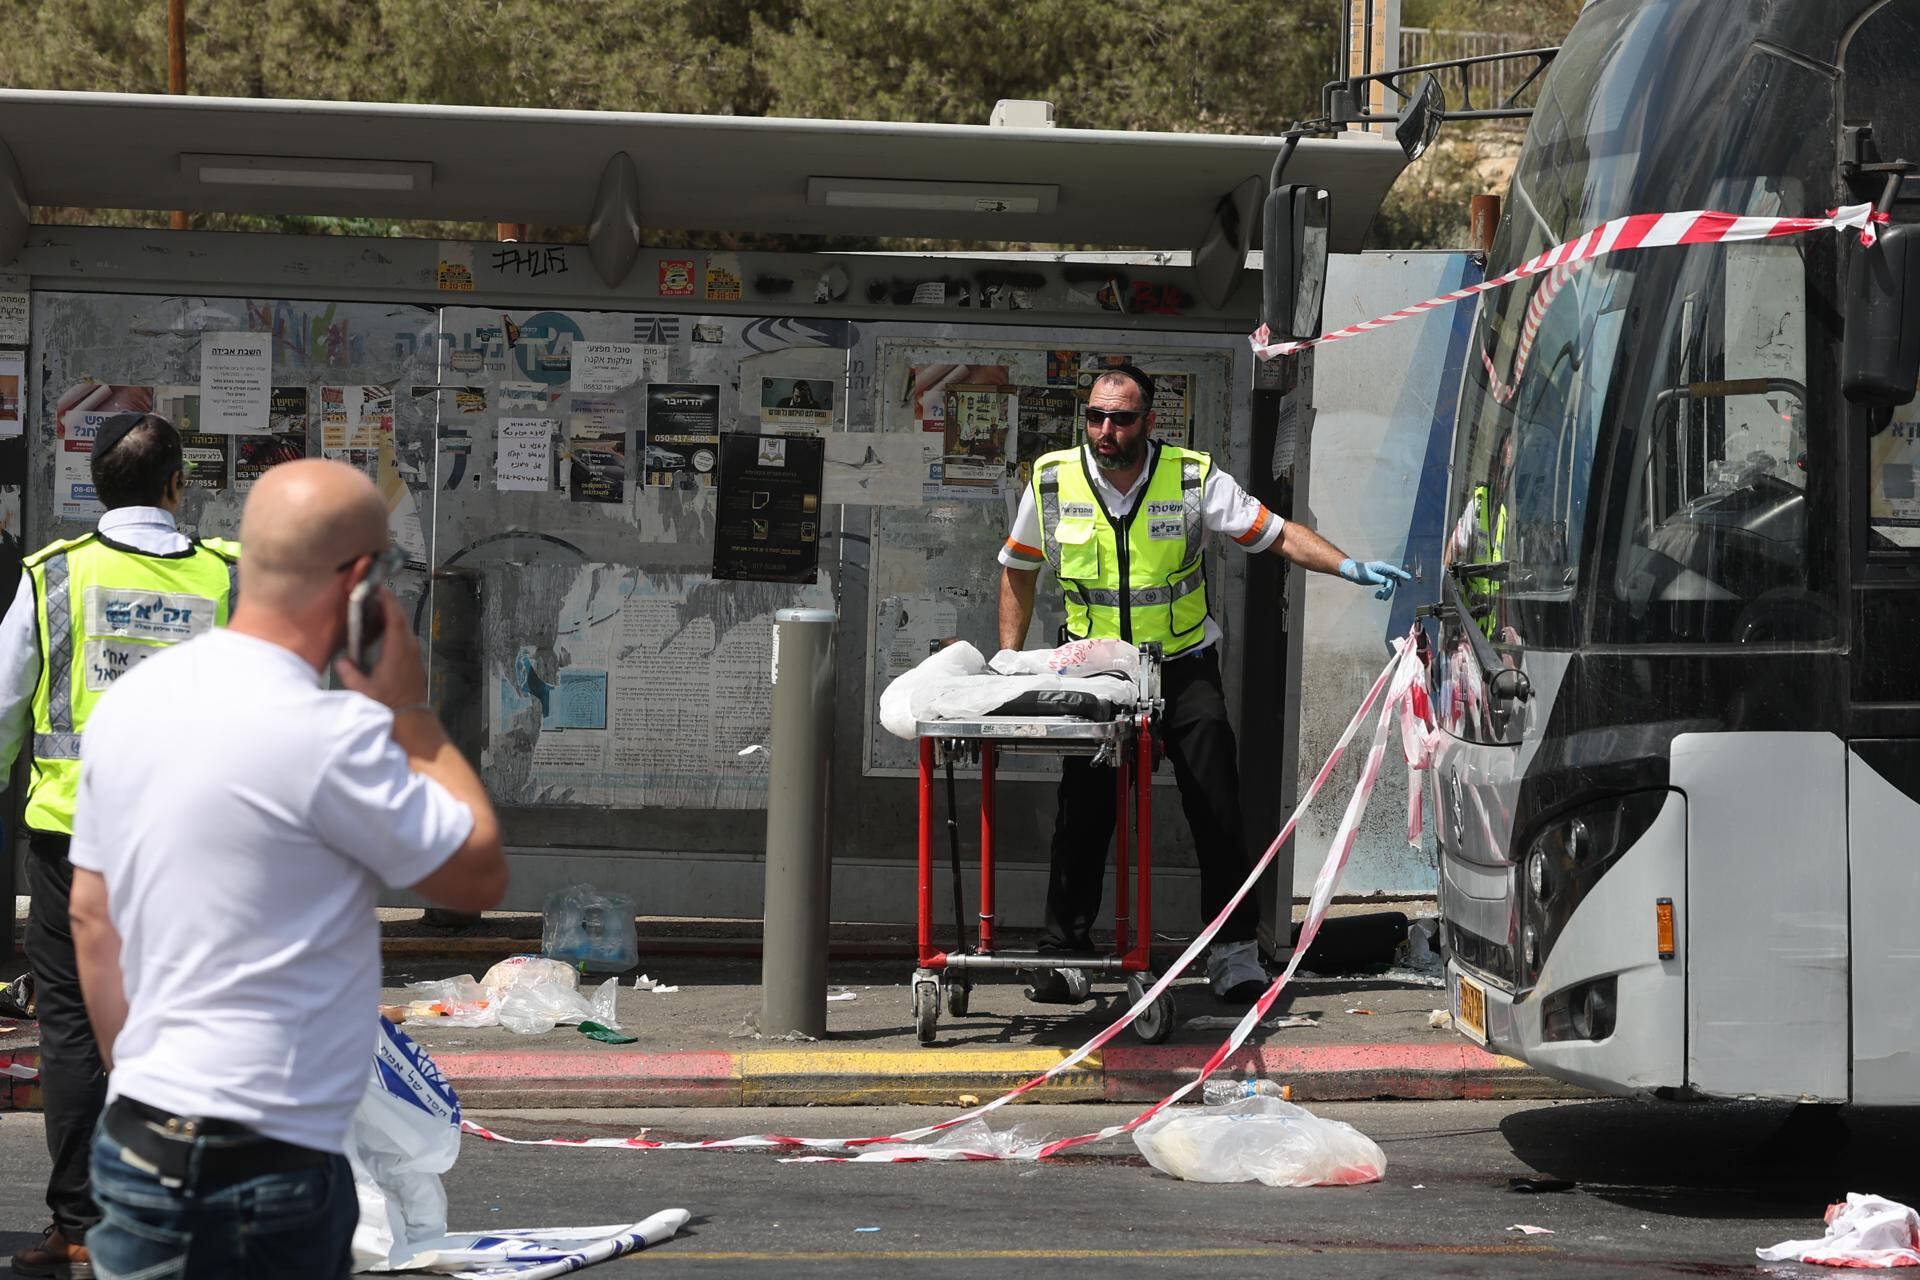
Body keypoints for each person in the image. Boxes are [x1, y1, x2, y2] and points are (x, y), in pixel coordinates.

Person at [66, 459, 507, 1279]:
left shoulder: (135, 701)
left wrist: (142, 1076)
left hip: (138, 1136)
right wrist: (411, 710)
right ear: (363, 581)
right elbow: (474, 875)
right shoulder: (330, 733)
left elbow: (92, 914)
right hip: (268, 1160)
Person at [998, 365, 1409, 1004]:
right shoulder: (1052, 480)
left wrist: (1347, 566)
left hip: (1181, 666)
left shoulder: (1191, 478)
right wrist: (1009, 660)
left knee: (1216, 806)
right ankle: (1064, 955)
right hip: (1095, 672)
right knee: (1083, 812)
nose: (1106, 431)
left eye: (1122, 419)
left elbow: (1273, 533)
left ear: (1149, 422)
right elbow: (1018, 570)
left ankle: (1233, 951)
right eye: (1096, 417)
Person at [1, 412, 238, 1279]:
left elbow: (1, 704)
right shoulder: (231, 579)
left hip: (75, 844)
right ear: (179, 485)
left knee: (71, 1032)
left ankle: (80, 1223)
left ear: (96, 486)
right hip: (196, 847)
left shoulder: (54, 578)